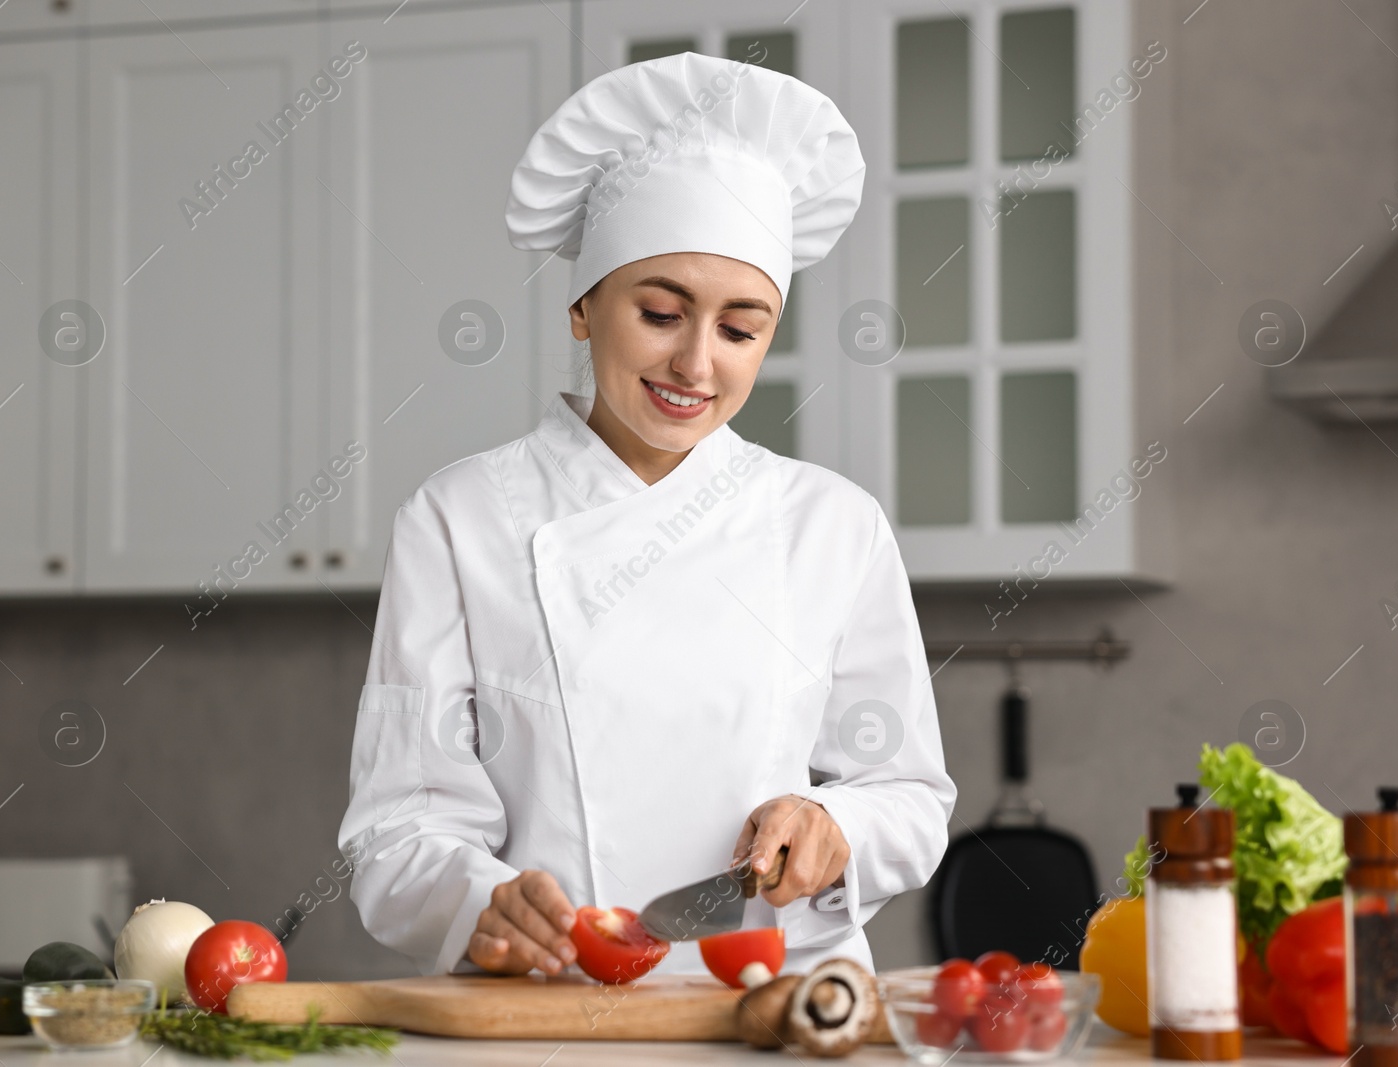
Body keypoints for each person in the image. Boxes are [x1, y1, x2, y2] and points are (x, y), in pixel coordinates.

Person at [338, 50, 956, 979]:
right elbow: (397, 827)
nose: (696, 365)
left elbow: (907, 793)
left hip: (780, 1009)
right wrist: (480, 900)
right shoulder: (460, 518)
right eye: (662, 312)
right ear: (585, 307)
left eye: (741, 329)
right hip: (545, 1009)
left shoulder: (834, 524)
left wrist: (836, 824)